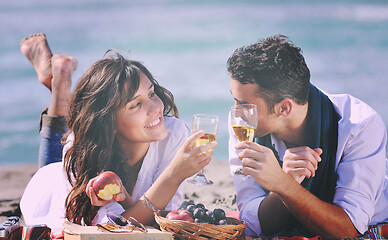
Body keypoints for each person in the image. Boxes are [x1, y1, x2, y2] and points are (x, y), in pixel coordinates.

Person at [20, 33, 217, 230]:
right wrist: (173, 175)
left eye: (151, 94)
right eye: (136, 105)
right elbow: (106, 230)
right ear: (110, 123)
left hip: (92, 141)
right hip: (50, 192)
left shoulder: (174, 134)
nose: (155, 108)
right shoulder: (79, 149)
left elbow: (157, 219)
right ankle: (59, 86)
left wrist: (127, 199)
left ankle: (59, 81)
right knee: (59, 152)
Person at [227, 34, 388, 239]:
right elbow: (252, 225)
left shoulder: (358, 126)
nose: (236, 112)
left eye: (243, 104)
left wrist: (284, 184)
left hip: (375, 219)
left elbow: (348, 230)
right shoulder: (244, 125)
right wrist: (284, 185)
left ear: (283, 107)